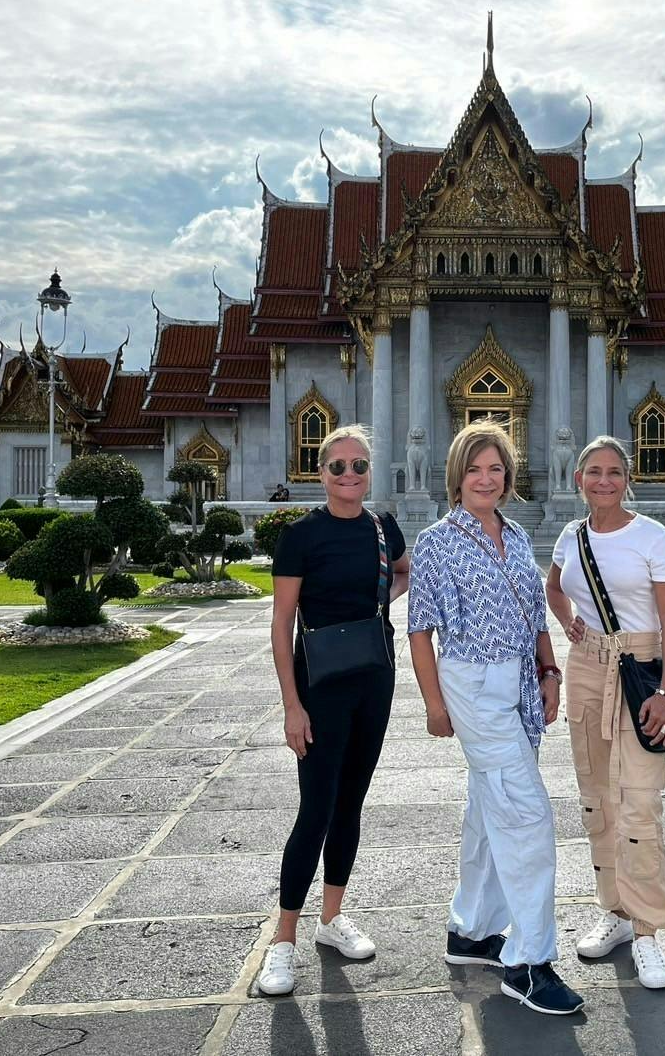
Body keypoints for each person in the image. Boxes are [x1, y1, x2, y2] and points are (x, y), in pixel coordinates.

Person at [408, 421, 585, 1017]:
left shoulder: (513, 534)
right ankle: (529, 962)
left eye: (497, 469)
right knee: (526, 814)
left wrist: (550, 672)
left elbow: (536, 614)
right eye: (476, 469)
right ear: (458, 476)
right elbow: (419, 631)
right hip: (473, 681)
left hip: (521, 683)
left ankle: (473, 931)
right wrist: (435, 704)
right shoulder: (437, 541)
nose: (487, 479)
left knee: (491, 807)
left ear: (509, 478)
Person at [257, 426, 409, 996]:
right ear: (319, 473)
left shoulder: (380, 527)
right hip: (318, 685)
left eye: (359, 466)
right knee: (315, 809)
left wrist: (372, 607)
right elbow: (281, 624)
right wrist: (291, 706)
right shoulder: (301, 536)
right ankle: (282, 940)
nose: (350, 476)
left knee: (350, 805)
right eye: (338, 467)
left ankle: (331, 920)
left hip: (374, 678)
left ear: (370, 472)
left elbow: (402, 572)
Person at [545, 435, 665, 990]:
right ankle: (617, 914)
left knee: (639, 803)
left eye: (613, 472)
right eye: (593, 472)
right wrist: (567, 621)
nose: (603, 481)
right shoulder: (570, 536)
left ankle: (649, 931)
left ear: (628, 479)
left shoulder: (651, 536)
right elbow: (554, 588)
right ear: (578, 479)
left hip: (642, 668)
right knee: (596, 797)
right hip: (587, 666)